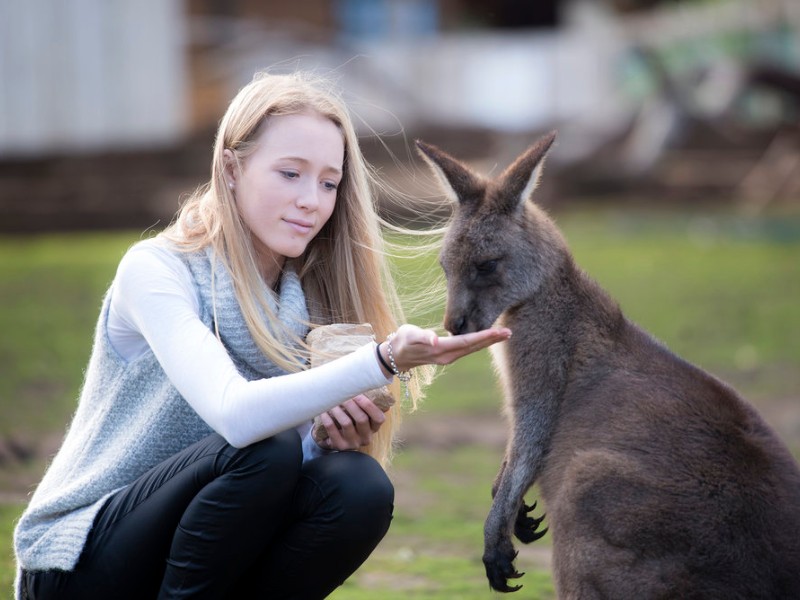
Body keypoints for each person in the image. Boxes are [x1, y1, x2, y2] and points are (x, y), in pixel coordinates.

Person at [13, 70, 511, 599]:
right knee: (263, 446)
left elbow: (257, 486)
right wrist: (383, 359)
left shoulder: (311, 306)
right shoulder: (157, 271)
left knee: (357, 488)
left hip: (188, 562)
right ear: (231, 167)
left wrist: (322, 441)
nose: (311, 201)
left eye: (327, 182)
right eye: (290, 174)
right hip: (77, 564)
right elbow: (236, 415)